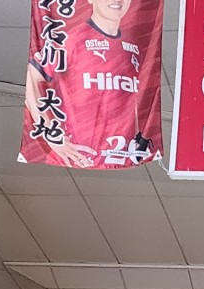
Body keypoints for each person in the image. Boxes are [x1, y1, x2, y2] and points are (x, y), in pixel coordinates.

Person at [21, 0, 161, 169]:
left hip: (119, 156)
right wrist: (52, 135)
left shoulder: (133, 47)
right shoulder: (72, 41)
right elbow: (31, 79)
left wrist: (137, 135)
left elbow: (129, 100)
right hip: (75, 156)